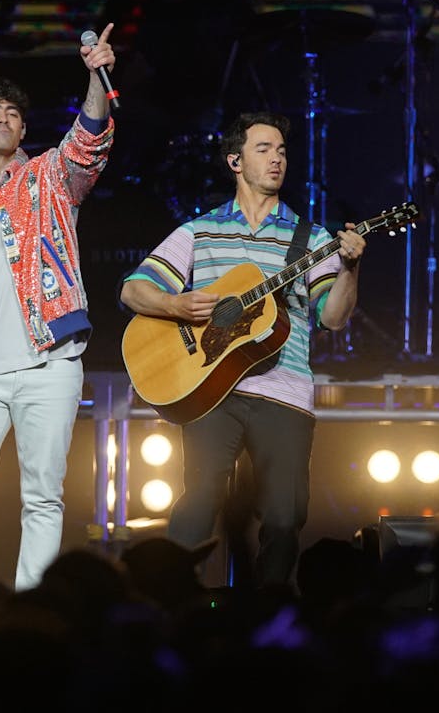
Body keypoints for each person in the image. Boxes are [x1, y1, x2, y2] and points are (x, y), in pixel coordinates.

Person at [119, 110, 365, 590]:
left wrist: (351, 268)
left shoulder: (310, 239)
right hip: (211, 391)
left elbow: (333, 318)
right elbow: (133, 291)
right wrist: (175, 303)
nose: (277, 159)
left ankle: (267, 613)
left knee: (284, 514)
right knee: (198, 501)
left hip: (285, 392)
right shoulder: (199, 231)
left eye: (282, 151)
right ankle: (167, 603)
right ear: (235, 160)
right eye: (263, 149)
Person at [0, 24, 117, 615]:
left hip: (48, 363)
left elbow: (89, 140)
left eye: (12, 112)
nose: (3, 119)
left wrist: (96, 77)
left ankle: (34, 614)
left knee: (43, 496)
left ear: (24, 129)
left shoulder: (47, 179)